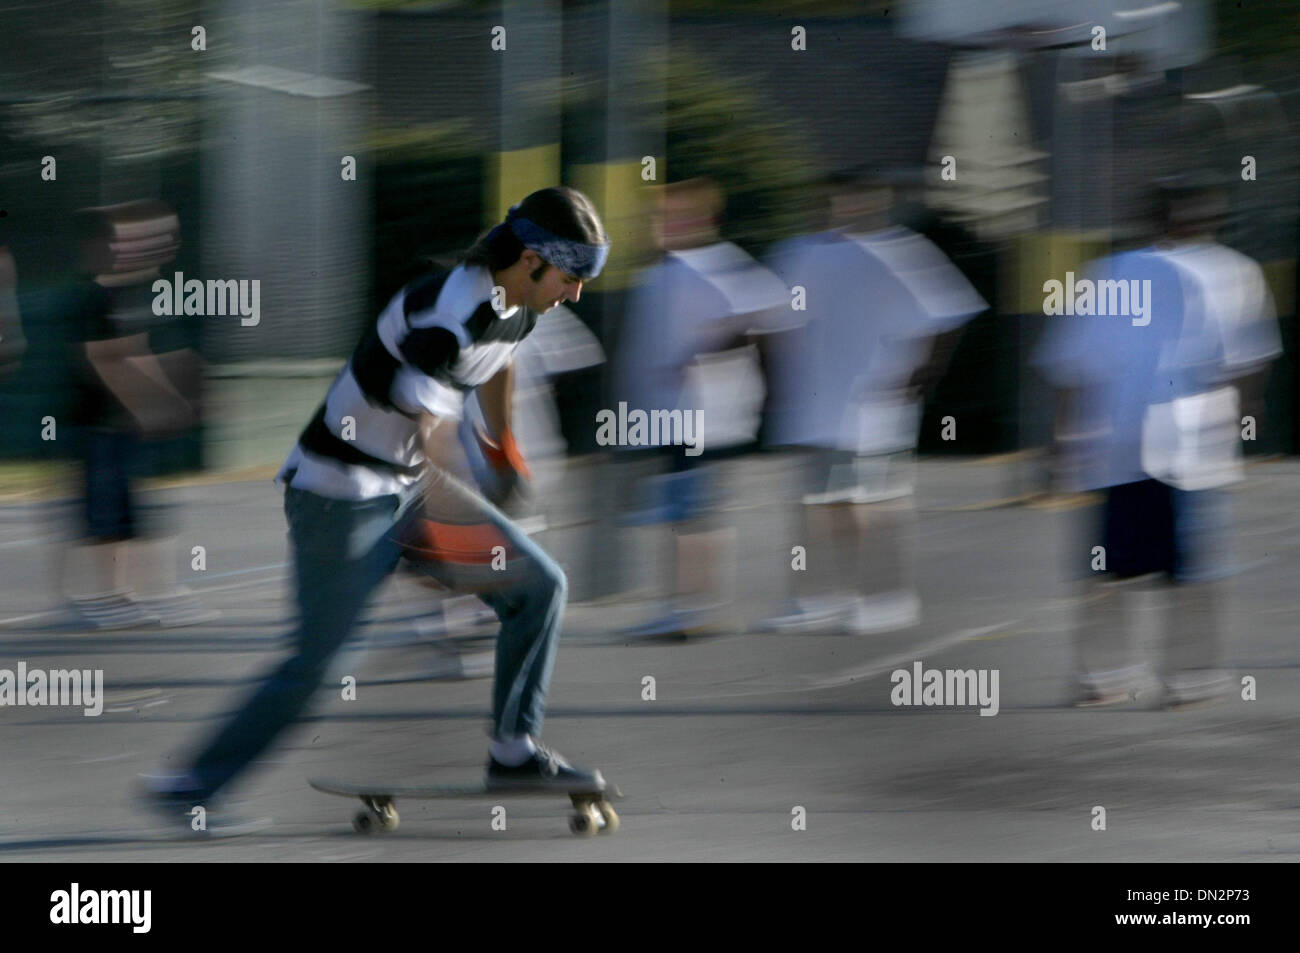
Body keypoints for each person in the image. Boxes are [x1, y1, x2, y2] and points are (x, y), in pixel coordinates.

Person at [141, 187, 610, 830]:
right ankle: (189, 785)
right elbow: (431, 432)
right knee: (319, 666)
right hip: (340, 496)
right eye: (571, 276)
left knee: (539, 587)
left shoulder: (524, 302)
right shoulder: (446, 314)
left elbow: (503, 360)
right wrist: (449, 529)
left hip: (404, 489)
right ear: (530, 259)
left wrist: (503, 447)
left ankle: (514, 751)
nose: (576, 293)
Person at [1034, 175, 1281, 707]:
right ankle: (1188, 677)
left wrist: (1060, 444)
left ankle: (1101, 677)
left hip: (1116, 440)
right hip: (1191, 442)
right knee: (1192, 570)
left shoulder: (1108, 273)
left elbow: (1071, 369)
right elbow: (1245, 366)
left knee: (1107, 569)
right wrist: (1246, 423)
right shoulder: (1232, 271)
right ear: (1207, 221)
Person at [761, 172, 984, 634]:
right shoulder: (799, 253)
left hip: (871, 408)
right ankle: (817, 598)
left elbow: (949, 313)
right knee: (816, 505)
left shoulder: (899, 252)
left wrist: (918, 377)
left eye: (858, 200)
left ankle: (885, 598)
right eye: (840, 200)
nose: (848, 209)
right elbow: (773, 321)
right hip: (815, 406)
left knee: (870, 505)